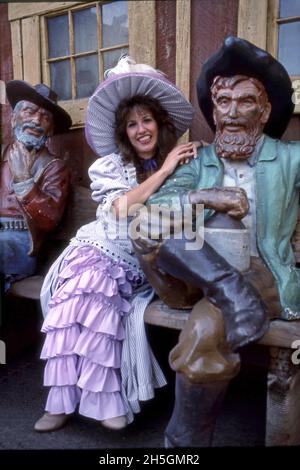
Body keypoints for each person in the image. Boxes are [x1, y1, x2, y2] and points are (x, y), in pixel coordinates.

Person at [133, 36, 300, 447]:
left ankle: (180, 450)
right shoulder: (200, 160)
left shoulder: (291, 158)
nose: (232, 113)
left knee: (205, 331)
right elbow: (152, 213)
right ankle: (230, 292)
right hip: (189, 274)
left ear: (265, 110)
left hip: (259, 271)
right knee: (145, 225)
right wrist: (205, 196)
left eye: (245, 102)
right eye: (223, 102)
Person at [34, 56, 198, 432]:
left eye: (147, 120)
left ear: (159, 122)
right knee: (78, 301)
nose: (141, 130)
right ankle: (58, 403)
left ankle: (102, 399)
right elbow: (122, 209)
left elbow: (186, 218)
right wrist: (165, 170)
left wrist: (172, 168)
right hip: (98, 250)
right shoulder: (110, 166)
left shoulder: (182, 163)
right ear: (124, 132)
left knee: (98, 306)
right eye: (132, 124)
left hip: (141, 265)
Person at [0, 81, 71, 292]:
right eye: (30, 111)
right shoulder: (1, 155)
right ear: (13, 118)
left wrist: (24, 181)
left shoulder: (54, 167)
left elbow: (48, 220)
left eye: (45, 117)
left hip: (24, 244)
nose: (36, 120)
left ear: (50, 130)